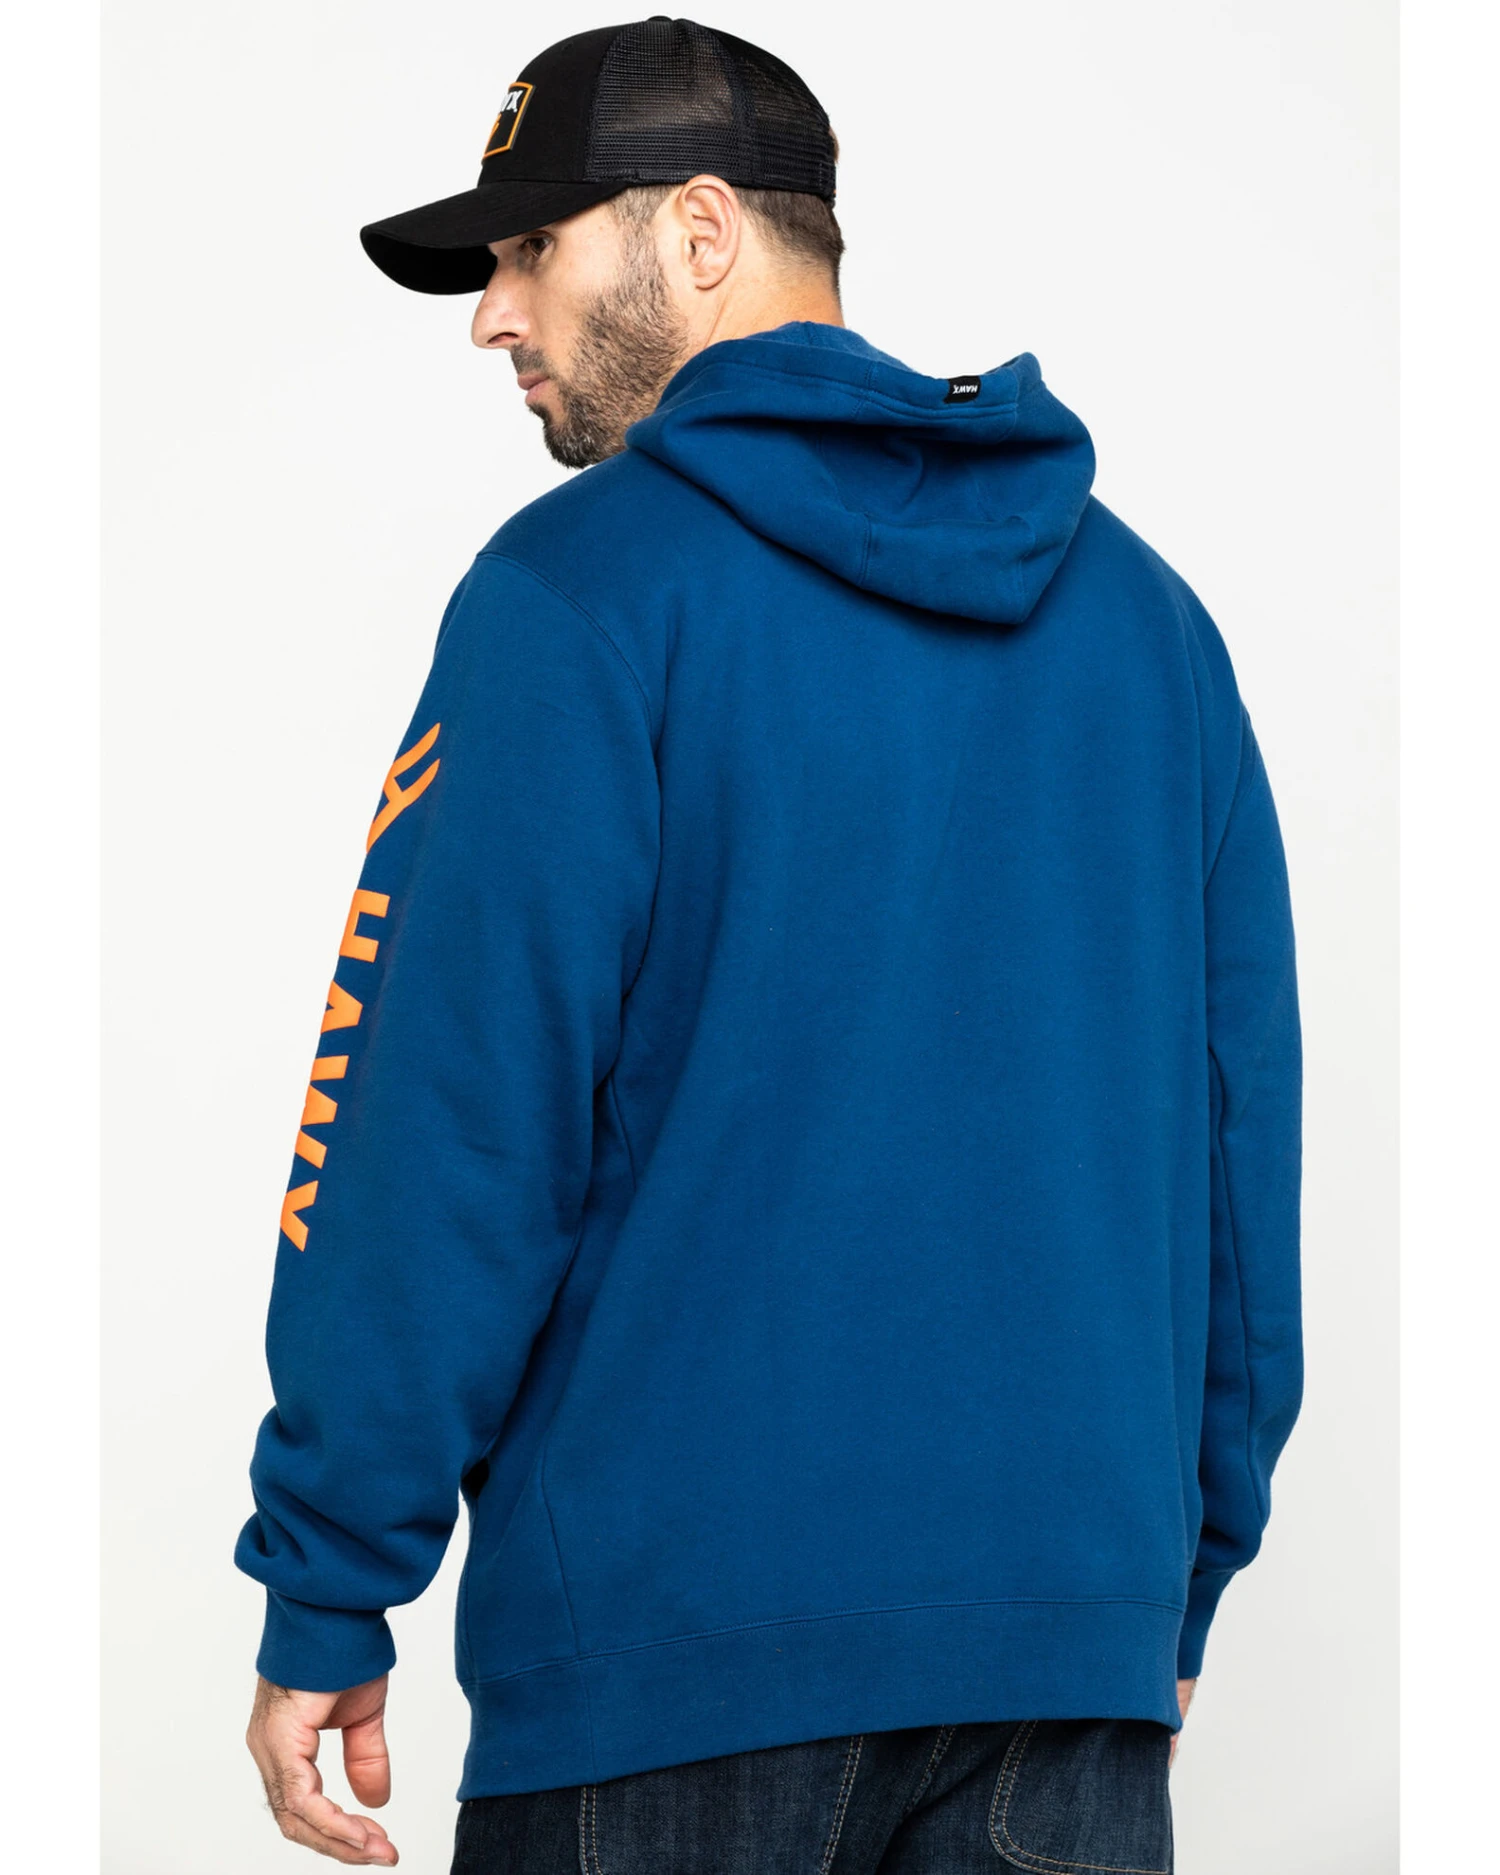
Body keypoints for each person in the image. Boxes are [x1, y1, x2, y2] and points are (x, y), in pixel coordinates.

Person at [236, 16, 1304, 1872]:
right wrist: (1176, 1570)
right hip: (1068, 1669)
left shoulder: (574, 595)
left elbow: (441, 1126)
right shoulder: (1151, 627)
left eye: (530, 248)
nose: (493, 315)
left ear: (704, 229)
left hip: (667, 1682)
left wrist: (331, 1574)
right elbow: (1238, 1152)